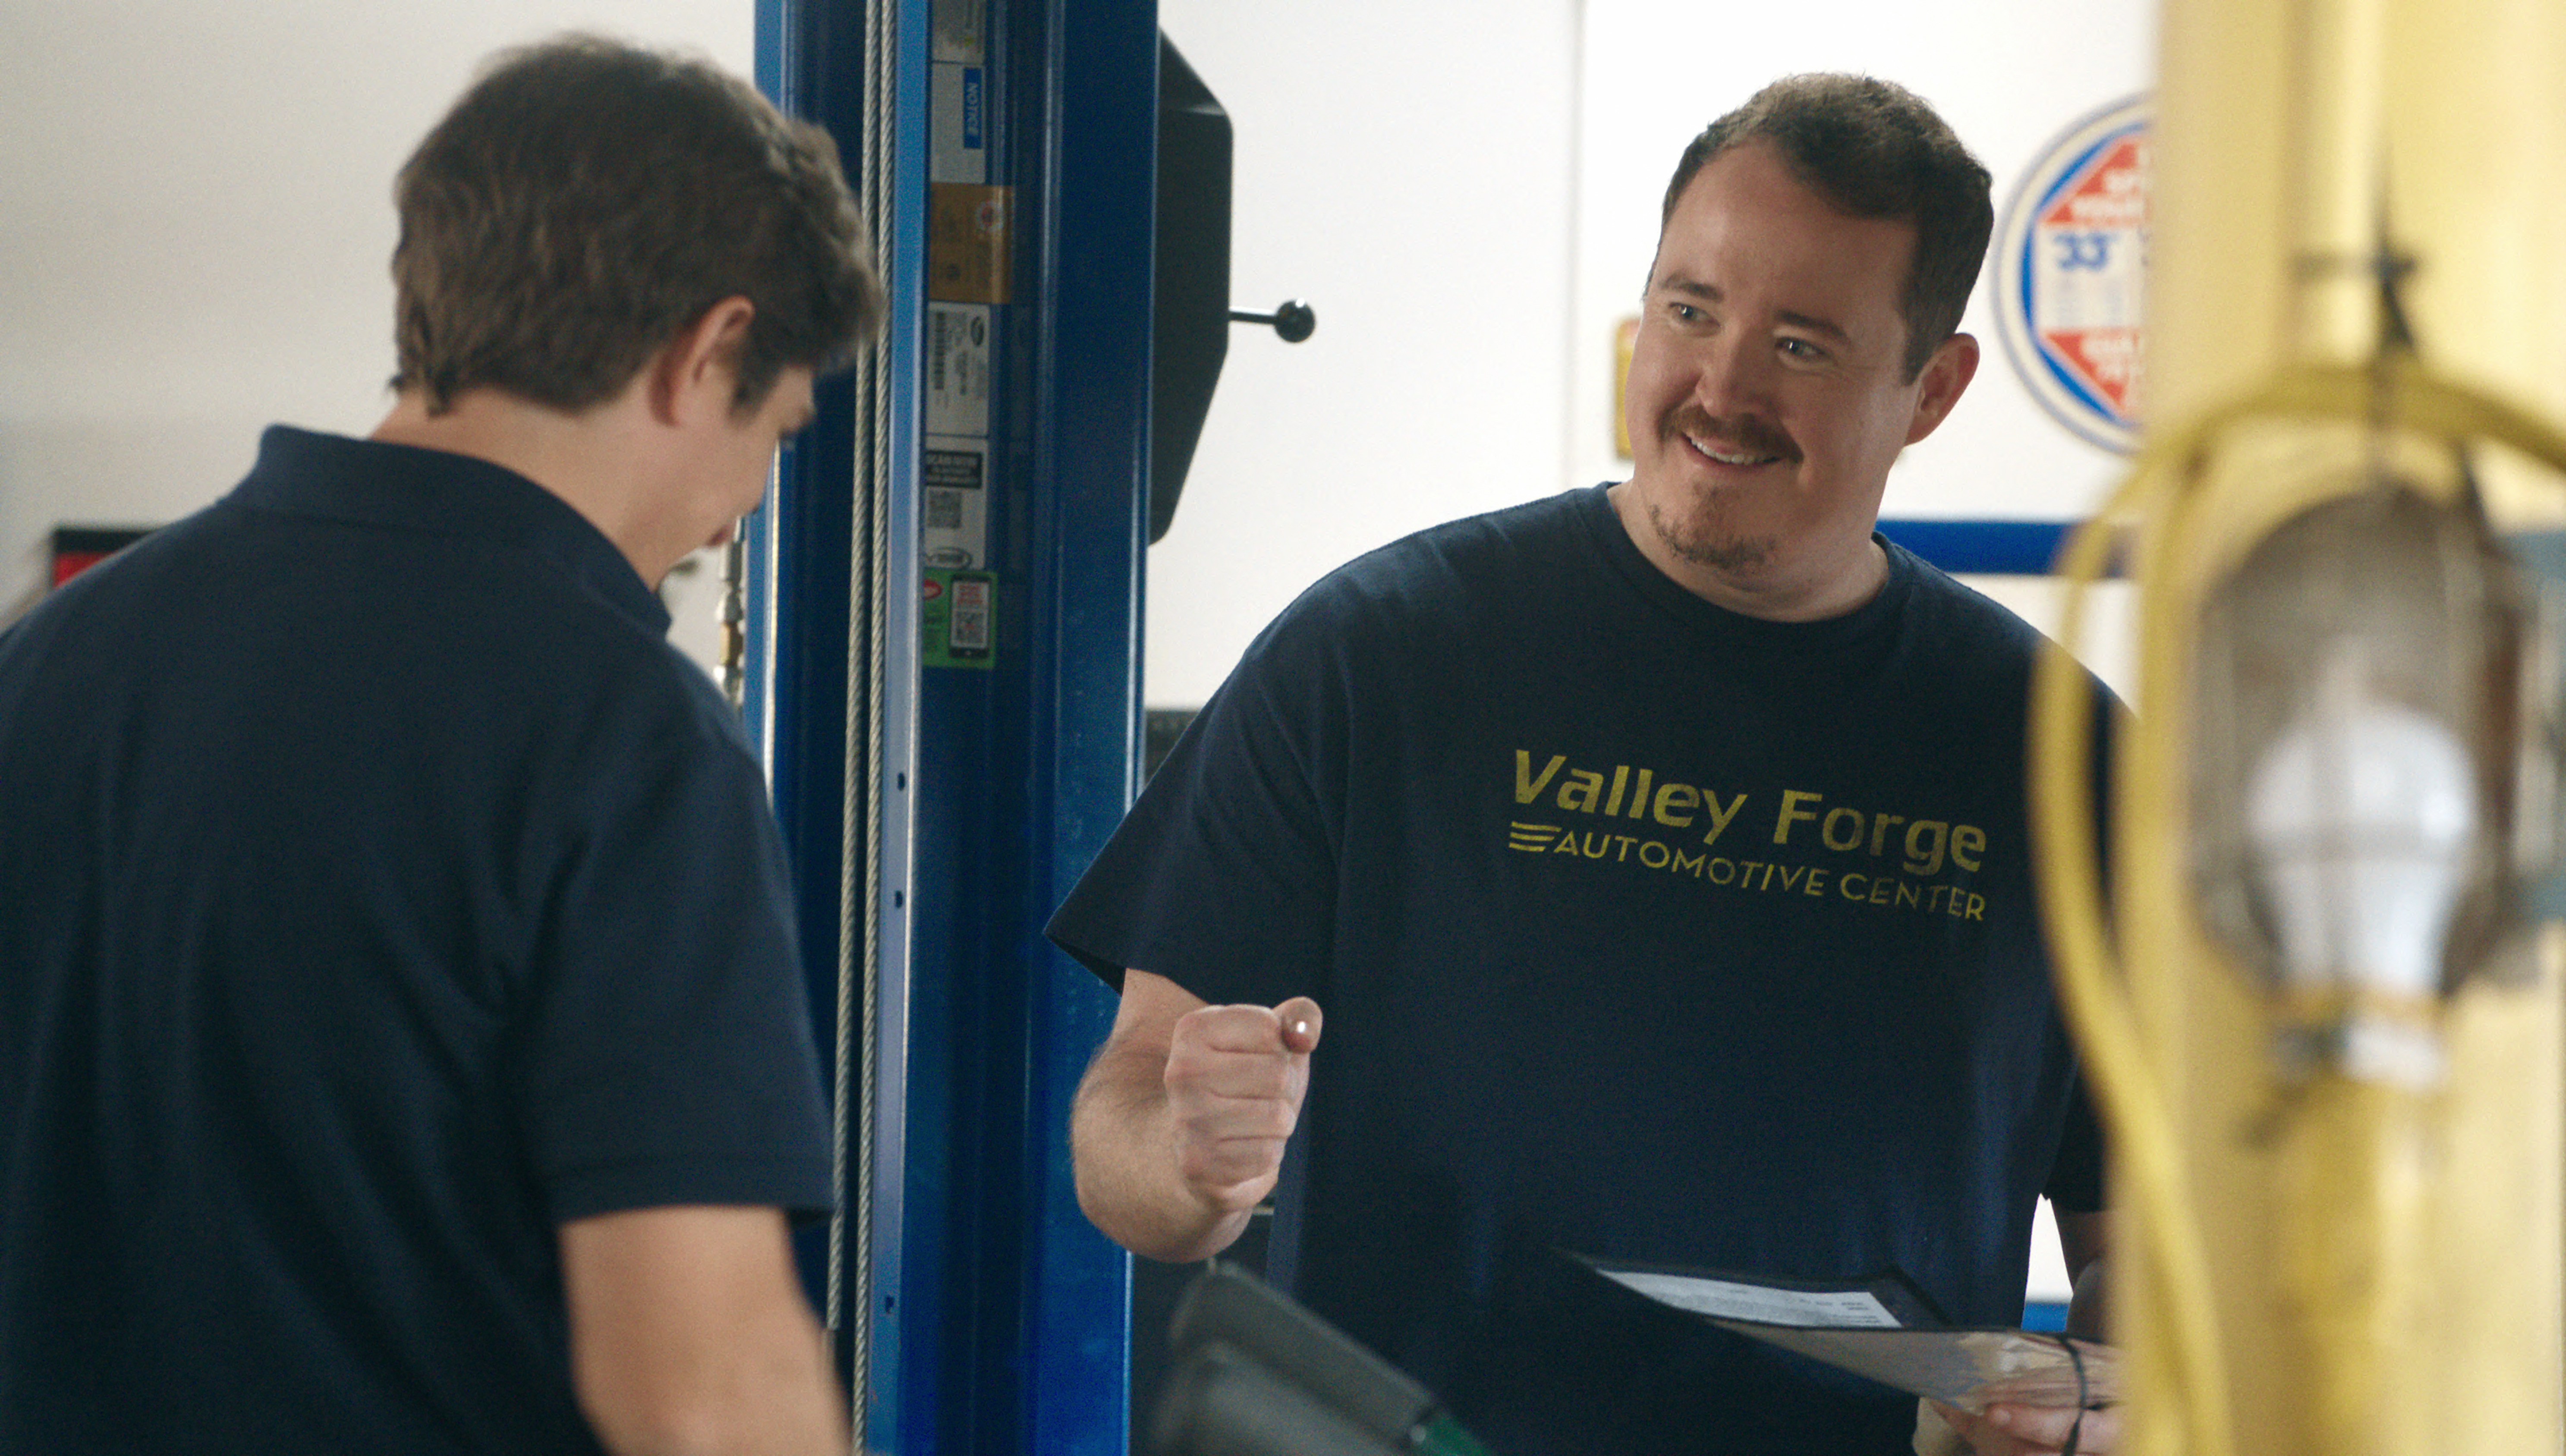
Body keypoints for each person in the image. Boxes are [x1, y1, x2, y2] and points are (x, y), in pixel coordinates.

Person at [1054, 74, 2118, 1456]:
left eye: (1801, 344)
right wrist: (1192, 1159)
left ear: (1933, 389)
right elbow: (1123, 1124)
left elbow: (2148, 1249)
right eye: (1690, 311)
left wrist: (2094, 1405)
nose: (1721, 389)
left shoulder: (2064, 765)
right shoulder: (1374, 663)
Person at [0, 36, 881, 1456]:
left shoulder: (50, 664)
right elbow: (705, 1397)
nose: (736, 514)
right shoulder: (626, 738)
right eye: (775, 432)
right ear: (706, 351)